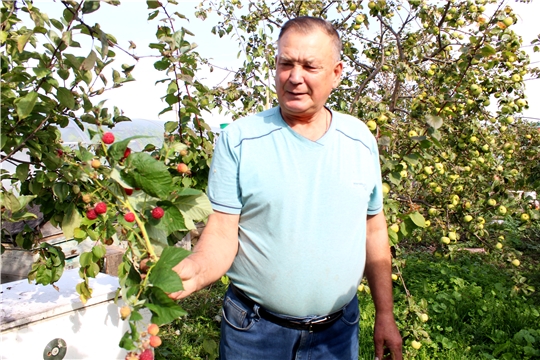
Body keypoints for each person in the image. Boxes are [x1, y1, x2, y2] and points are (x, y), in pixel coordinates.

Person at [169, 16, 402, 360]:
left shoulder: (359, 141)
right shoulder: (241, 139)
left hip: (338, 334)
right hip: (255, 333)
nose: (295, 77)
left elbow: (374, 229)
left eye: (309, 66)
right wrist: (193, 271)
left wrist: (385, 313)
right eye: (285, 63)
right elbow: (220, 235)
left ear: (336, 74)